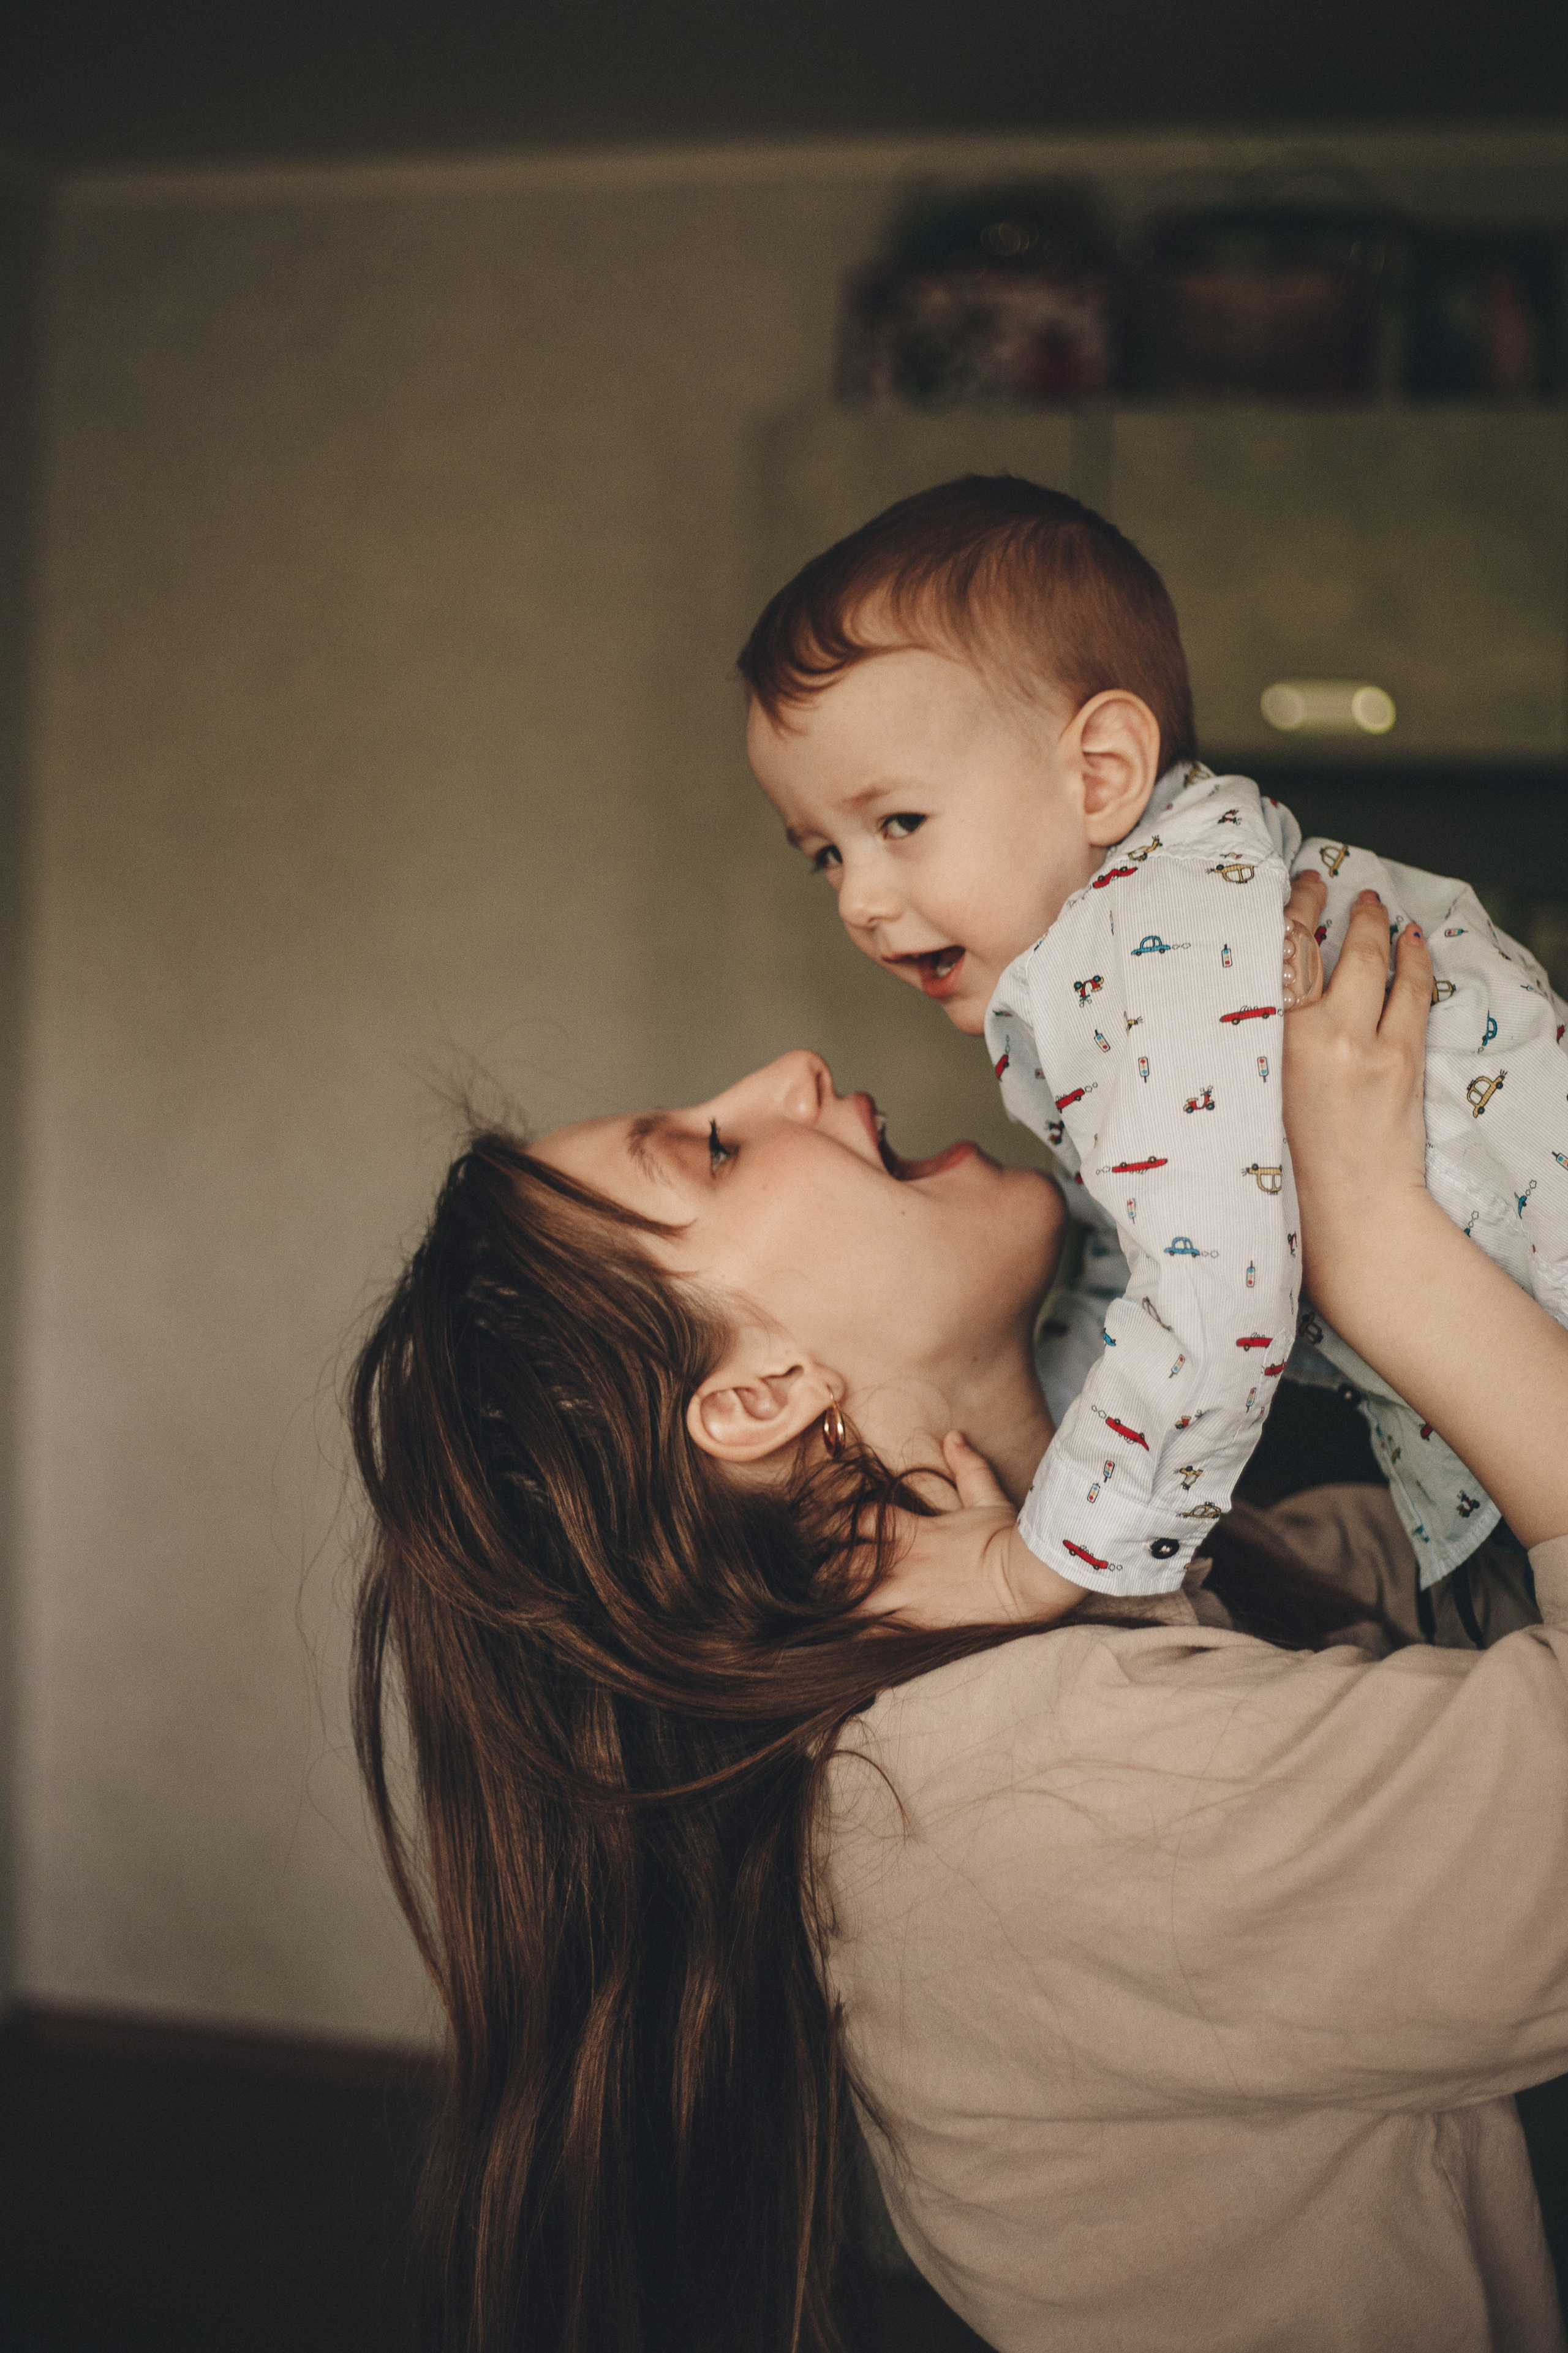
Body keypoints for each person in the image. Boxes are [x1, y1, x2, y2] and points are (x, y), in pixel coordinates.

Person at [350, 885, 1568, 2353]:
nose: (791, 1068)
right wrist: (1384, 1254)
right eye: (714, 1150)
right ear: (753, 1400)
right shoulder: (1024, 1789)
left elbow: (1467, 1581)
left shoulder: (1097, 1611)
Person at [740, 475, 1568, 1603]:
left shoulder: (1157, 928)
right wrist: (1044, 1476)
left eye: (899, 824)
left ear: (1100, 774)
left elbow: (1215, 1284)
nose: (861, 902)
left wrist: (1039, 1565)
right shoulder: (1157, 918)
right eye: (826, 854)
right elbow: (1122, 1248)